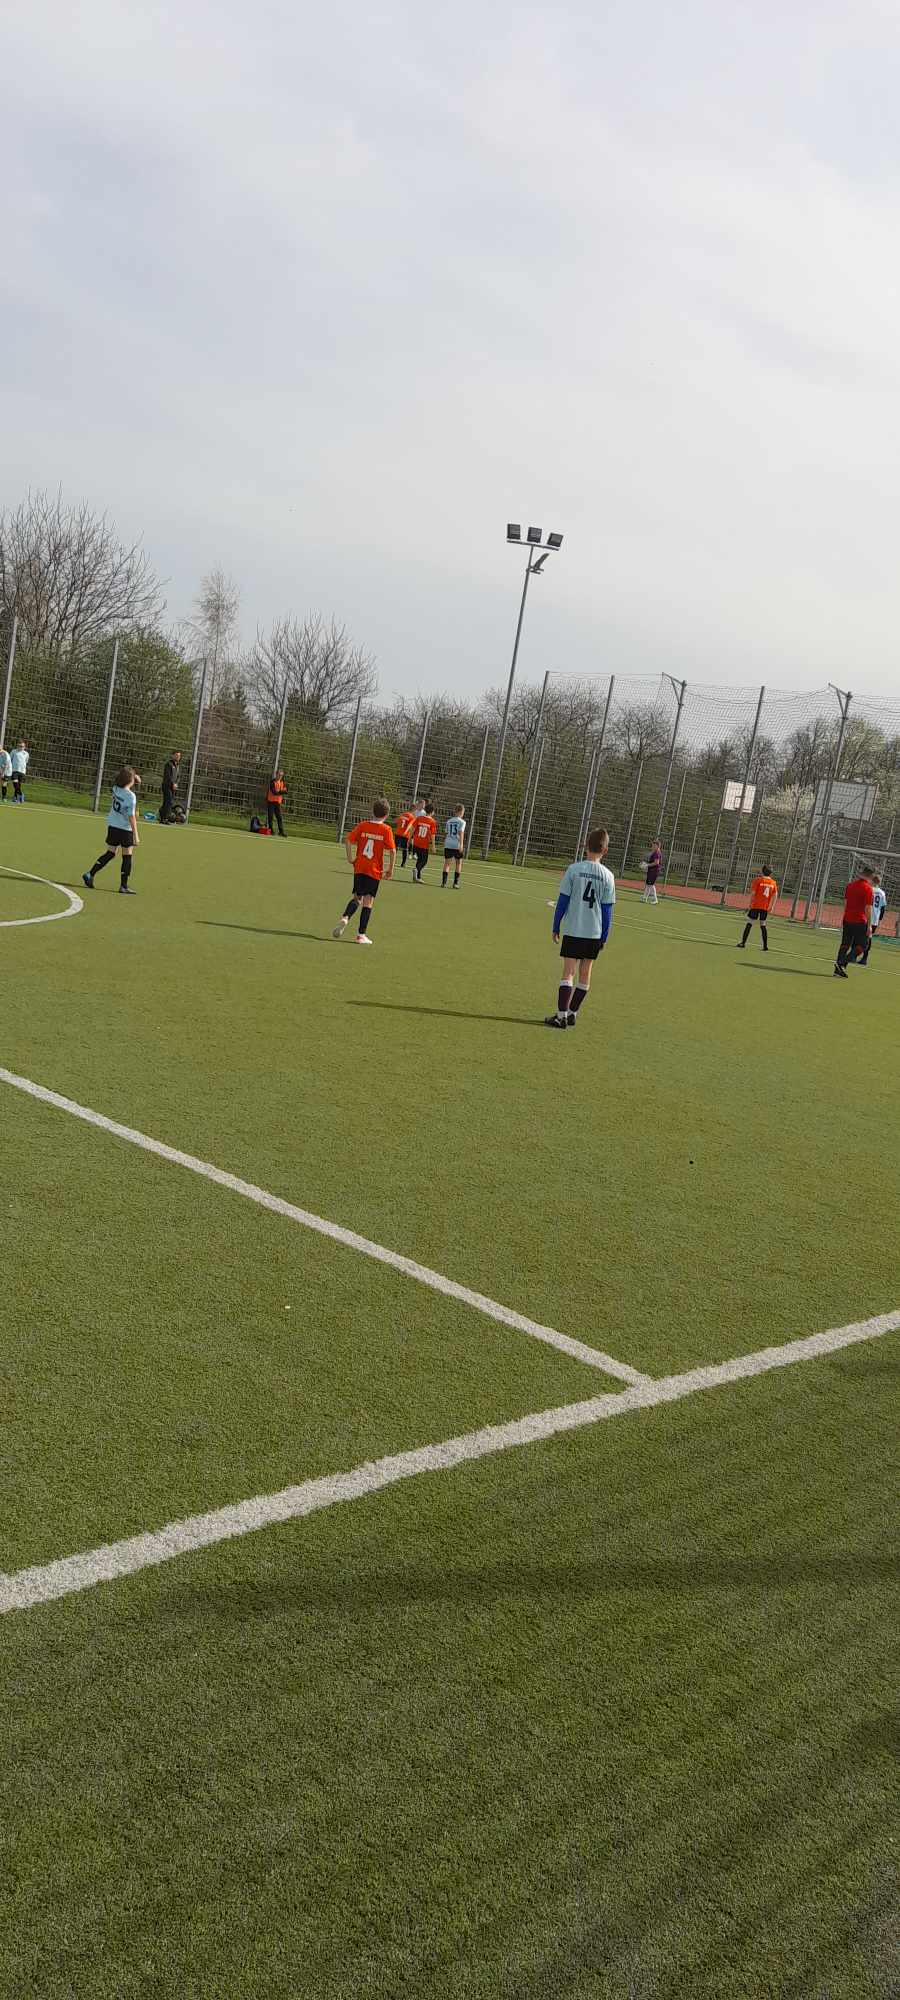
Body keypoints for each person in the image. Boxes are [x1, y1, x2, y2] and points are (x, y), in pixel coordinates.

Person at [545, 827, 615, 1029]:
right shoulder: (608, 876)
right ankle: (572, 1013)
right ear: (605, 851)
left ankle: (561, 1016)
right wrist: (604, 936)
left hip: (574, 929)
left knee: (568, 972)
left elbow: (562, 901)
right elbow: (607, 910)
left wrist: (556, 925)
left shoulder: (574, 870)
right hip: (594, 932)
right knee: (585, 972)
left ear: (585, 846)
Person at [332, 797, 396, 945]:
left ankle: (345, 917)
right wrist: (390, 869)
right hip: (374, 870)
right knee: (368, 901)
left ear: (372, 811)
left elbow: (348, 840)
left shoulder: (362, 825)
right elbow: (392, 851)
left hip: (359, 867)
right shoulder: (386, 830)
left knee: (357, 898)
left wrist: (350, 858)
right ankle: (361, 935)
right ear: (386, 815)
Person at [82, 767, 141, 896]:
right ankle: (123, 886)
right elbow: (131, 817)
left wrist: (134, 779)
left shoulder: (115, 789)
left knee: (111, 852)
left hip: (113, 825)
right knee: (127, 855)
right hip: (125, 829)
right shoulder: (131, 796)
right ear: (130, 780)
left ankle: (90, 874)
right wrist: (136, 835)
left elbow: (123, 784)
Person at [834, 866, 873, 978]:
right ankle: (842, 963)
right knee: (863, 945)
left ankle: (837, 970)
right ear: (870, 876)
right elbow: (868, 908)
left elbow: (845, 903)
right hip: (860, 920)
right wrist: (869, 925)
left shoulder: (850, 886)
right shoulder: (868, 888)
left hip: (847, 918)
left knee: (845, 944)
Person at [737, 865, 778, 951]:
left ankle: (743, 943)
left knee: (750, 923)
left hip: (756, 905)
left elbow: (753, 893)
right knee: (763, 925)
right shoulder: (773, 883)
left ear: (762, 871)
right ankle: (765, 946)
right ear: (771, 873)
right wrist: (772, 906)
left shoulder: (757, 880)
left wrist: (750, 904)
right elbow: (775, 895)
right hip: (765, 907)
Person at [851, 873, 886, 965]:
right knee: (868, 938)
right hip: (875, 919)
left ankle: (853, 956)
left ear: (871, 880)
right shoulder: (882, 893)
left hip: (866, 916)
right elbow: (883, 908)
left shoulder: (869, 889)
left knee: (858, 936)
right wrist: (879, 920)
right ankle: (864, 958)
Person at [410, 801, 437, 882]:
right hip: (424, 844)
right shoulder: (432, 822)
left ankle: (418, 877)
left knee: (419, 859)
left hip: (416, 842)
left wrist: (410, 838)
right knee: (424, 861)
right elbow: (433, 835)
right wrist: (433, 846)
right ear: (432, 812)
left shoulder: (419, 818)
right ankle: (416, 869)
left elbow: (412, 829)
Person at [442, 804, 467, 887]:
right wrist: (461, 844)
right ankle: (455, 883)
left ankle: (444, 883)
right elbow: (461, 833)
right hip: (457, 844)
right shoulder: (462, 822)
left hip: (448, 843)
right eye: (463, 812)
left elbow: (446, 833)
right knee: (458, 863)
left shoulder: (449, 821)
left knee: (447, 863)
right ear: (460, 812)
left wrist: (445, 842)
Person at [160, 751, 182, 823]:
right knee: (168, 801)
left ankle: (163, 816)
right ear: (172, 756)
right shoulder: (168, 764)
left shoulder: (178, 765)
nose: (178, 757)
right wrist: (173, 784)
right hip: (167, 786)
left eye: (179, 756)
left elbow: (178, 776)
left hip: (173, 787)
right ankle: (165, 818)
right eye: (176, 755)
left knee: (168, 802)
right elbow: (168, 776)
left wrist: (176, 784)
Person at [394, 803, 416, 869]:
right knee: (405, 849)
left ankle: (393, 862)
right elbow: (409, 825)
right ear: (413, 810)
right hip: (405, 835)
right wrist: (406, 832)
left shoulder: (402, 814)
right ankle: (403, 864)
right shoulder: (412, 817)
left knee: (395, 848)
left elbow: (396, 821)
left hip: (398, 833)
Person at [266, 769, 287, 837]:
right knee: (270, 816)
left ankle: (281, 831)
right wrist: (281, 792)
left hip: (277, 802)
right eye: (279, 775)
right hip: (271, 801)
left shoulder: (282, 782)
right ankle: (271, 830)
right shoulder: (272, 782)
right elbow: (274, 792)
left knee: (279, 817)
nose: (280, 776)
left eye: (281, 775)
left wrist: (280, 792)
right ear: (276, 774)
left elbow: (286, 791)